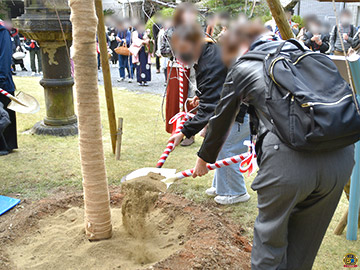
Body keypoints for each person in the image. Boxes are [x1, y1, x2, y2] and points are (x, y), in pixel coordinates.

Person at [191, 22, 355, 269]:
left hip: (288, 162)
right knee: (303, 249)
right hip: (341, 160)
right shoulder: (308, 56)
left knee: (270, 246)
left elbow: (221, 117)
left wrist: (204, 159)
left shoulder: (243, 66)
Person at [170, 24, 251, 205]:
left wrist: (184, 133)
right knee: (223, 148)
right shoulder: (209, 52)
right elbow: (217, 88)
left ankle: (235, 192)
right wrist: (201, 96)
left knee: (228, 147)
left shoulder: (209, 61)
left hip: (241, 110)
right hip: (235, 105)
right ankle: (221, 185)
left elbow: (210, 108)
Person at [0, 20, 18, 155]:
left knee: (5, 114)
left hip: (3, 82)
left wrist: (1, 79)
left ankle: (5, 145)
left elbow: (5, 58)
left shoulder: (2, 32)